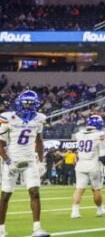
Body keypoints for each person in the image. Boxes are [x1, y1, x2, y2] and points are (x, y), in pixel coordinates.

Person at [0, 90, 50, 237]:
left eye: (31, 104)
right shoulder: (9, 118)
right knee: (5, 195)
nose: (28, 107)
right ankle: (1, 229)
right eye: (26, 104)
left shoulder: (39, 119)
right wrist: (7, 160)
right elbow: (0, 143)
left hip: (29, 161)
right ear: (19, 104)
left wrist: (41, 161)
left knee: (35, 193)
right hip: (12, 161)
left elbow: (39, 142)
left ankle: (37, 229)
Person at [71, 115, 105, 219]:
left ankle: (75, 212)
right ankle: (100, 210)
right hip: (93, 164)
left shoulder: (79, 134)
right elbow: (103, 154)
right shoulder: (99, 134)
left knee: (79, 189)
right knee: (96, 189)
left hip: (81, 164)